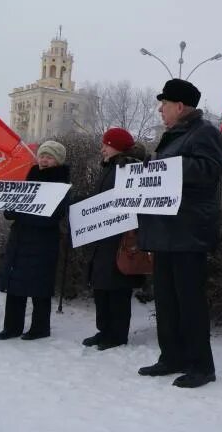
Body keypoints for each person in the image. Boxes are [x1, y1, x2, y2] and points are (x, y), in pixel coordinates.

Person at [137, 78, 222, 389]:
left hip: (189, 232)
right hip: (165, 231)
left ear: (180, 106)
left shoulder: (205, 133)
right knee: (166, 300)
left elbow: (209, 170)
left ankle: (202, 366)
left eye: (164, 104)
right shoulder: (173, 135)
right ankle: (171, 357)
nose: (160, 109)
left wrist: (164, 165)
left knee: (190, 302)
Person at [0, 140, 70, 340]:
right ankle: (12, 326)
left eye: (49, 156)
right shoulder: (30, 177)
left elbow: (52, 217)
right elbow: (15, 208)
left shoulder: (61, 184)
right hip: (20, 238)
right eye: (42, 155)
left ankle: (40, 327)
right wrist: (10, 210)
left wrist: (20, 214)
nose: (44, 160)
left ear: (58, 161)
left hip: (44, 241)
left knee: (40, 286)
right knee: (15, 284)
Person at [82, 127, 147, 350]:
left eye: (106, 144)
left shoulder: (130, 169)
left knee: (117, 287)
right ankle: (104, 330)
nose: (102, 149)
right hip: (102, 235)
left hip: (121, 237)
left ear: (117, 146)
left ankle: (117, 334)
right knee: (101, 284)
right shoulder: (108, 168)